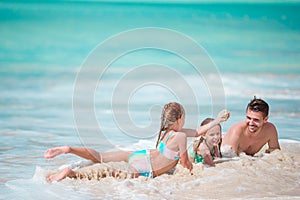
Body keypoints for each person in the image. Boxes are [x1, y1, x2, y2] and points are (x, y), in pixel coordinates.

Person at [44, 102, 230, 182]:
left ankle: (68, 149)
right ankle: (71, 174)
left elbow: (197, 131)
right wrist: (192, 173)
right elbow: (184, 162)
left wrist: (216, 121)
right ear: (180, 119)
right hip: (145, 166)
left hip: (140, 154)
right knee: (106, 175)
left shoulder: (167, 132)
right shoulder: (180, 136)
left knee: (100, 157)